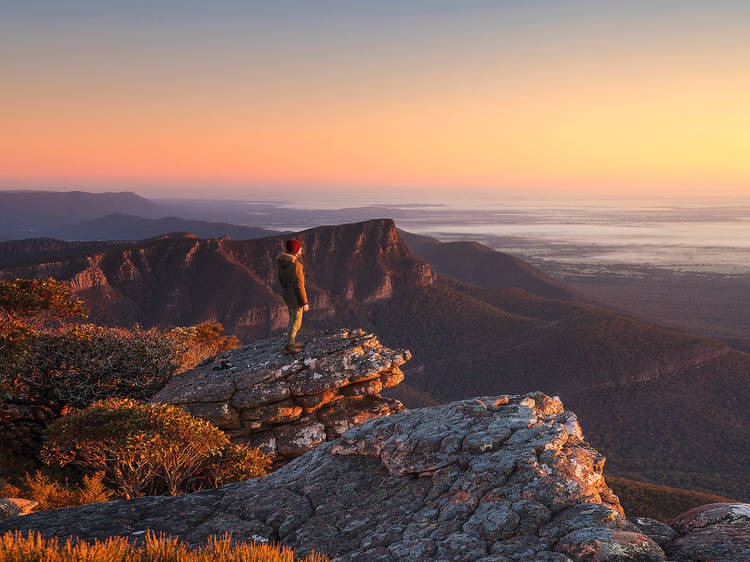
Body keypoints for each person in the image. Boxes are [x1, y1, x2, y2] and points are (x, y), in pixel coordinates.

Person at [277, 239, 309, 354]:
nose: (301, 250)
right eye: (300, 248)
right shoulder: (296, 264)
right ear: (296, 250)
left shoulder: (283, 263)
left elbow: (281, 280)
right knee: (296, 321)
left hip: (287, 294)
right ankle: (290, 345)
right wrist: (304, 302)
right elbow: (300, 285)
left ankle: (291, 342)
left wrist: (287, 290)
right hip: (295, 297)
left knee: (292, 319)